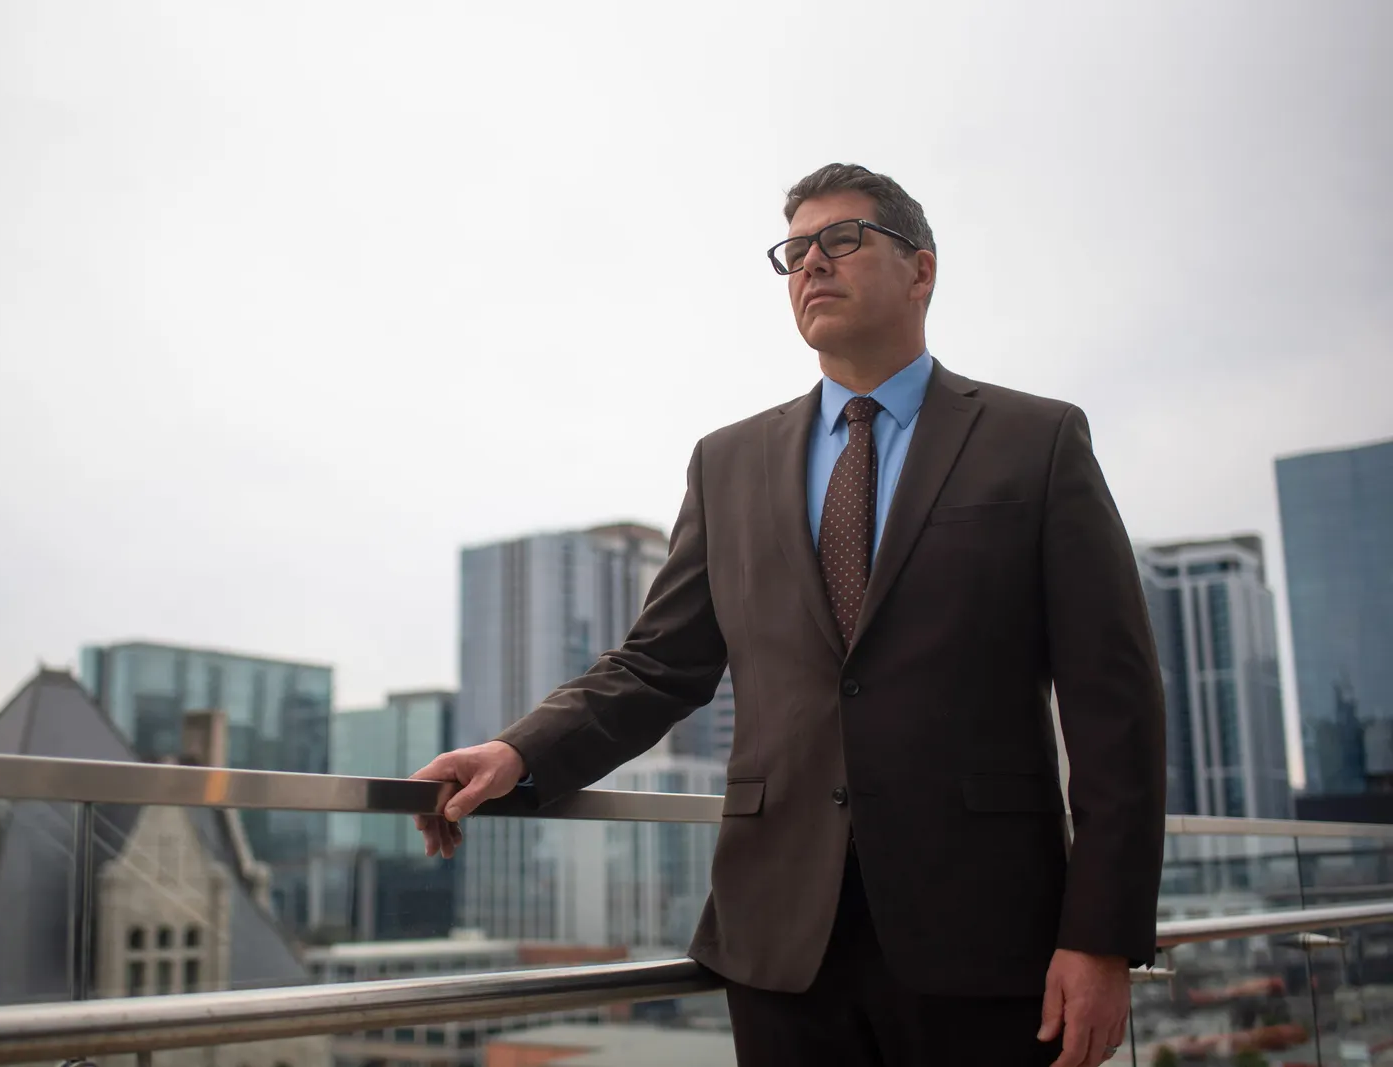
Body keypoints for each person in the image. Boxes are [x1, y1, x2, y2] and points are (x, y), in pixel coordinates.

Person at [412, 163, 1166, 1067]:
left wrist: (1103, 936)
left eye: (841, 240)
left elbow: (1113, 706)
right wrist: (520, 750)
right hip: (778, 941)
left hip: (987, 931)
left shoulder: (1035, 441)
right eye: (795, 251)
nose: (812, 264)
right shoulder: (727, 461)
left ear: (921, 269)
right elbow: (660, 663)